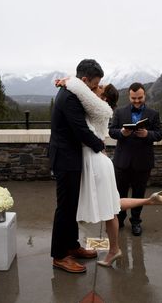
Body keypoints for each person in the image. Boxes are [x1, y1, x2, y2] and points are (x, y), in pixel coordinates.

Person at [59, 77, 162, 267]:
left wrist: (69, 80)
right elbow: (109, 130)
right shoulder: (104, 109)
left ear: (104, 98)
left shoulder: (100, 108)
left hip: (96, 163)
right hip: (103, 160)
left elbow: (81, 90)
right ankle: (150, 201)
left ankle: (113, 249)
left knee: (110, 209)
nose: (96, 87)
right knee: (112, 205)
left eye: (100, 87)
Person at [49, 59, 105, 274]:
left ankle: (72, 245)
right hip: (65, 159)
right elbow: (80, 130)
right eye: (94, 84)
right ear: (84, 80)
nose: (94, 89)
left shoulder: (73, 90)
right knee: (64, 208)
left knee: (72, 206)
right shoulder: (70, 97)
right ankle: (60, 256)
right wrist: (100, 145)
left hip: (71, 157)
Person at [109, 82, 162, 236]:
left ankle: (136, 222)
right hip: (122, 161)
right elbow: (112, 131)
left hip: (143, 162)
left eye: (140, 98)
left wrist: (148, 135)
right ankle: (119, 220)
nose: (137, 101)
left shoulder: (153, 114)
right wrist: (122, 133)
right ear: (129, 96)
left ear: (144, 95)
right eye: (134, 98)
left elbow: (159, 134)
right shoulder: (119, 112)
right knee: (120, 193)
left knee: (139, 194)